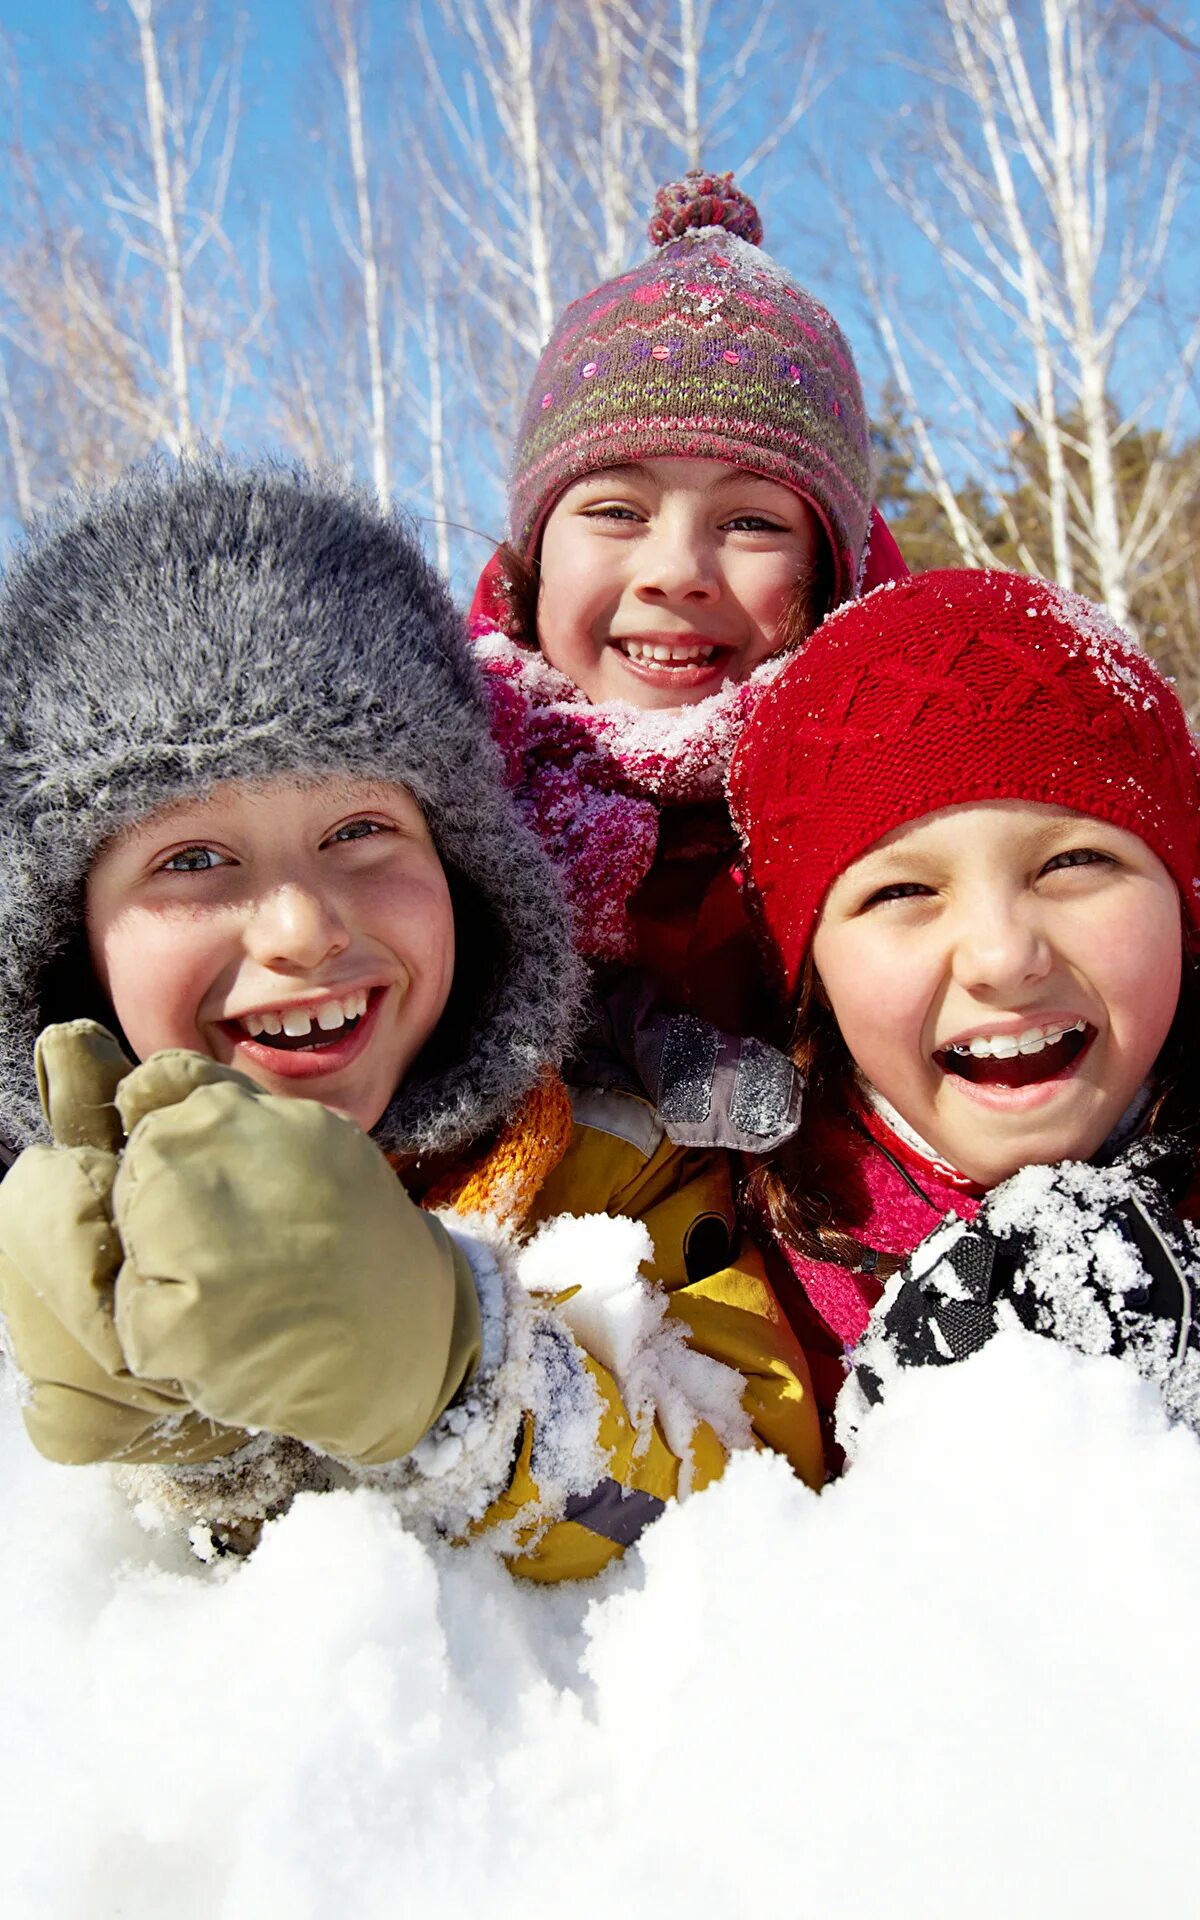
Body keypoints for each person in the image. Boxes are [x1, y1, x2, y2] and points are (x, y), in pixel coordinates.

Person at [0, 458, 823, 1574]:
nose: (299, 925)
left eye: (358, 831)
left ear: (466, 868)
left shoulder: (619, 1160)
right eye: (193, 858)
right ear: (67, 943)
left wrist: (459, 1378)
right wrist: (201, 1451)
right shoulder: (41, 1241)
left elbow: (731, 1504)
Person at [729, 567, 1200, 1456]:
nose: (1002, 956)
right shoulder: (740, 1275)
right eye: (905, 889)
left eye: (1074, 863)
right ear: (810, 970)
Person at [471, 168, 908, 1032]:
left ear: (831, 574)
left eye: (749, 521)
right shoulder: (412, 825)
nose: (675, 570)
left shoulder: (909, 834)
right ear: (533, 557)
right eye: (614, 511)